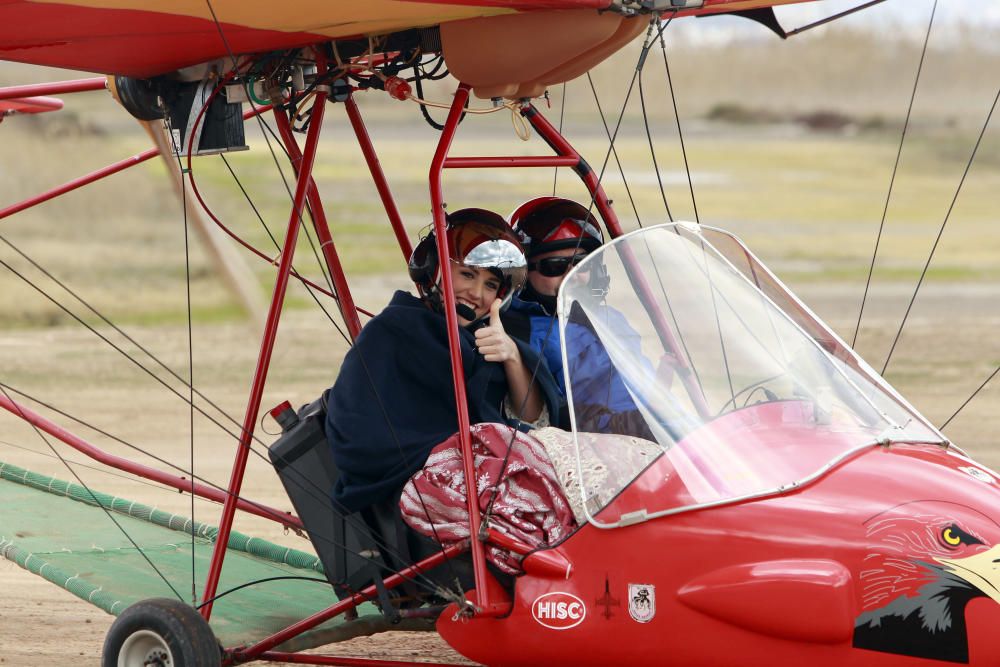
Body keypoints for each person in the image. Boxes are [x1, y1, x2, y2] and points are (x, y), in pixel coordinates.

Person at [325, 208, 561, 515]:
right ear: (434, 270)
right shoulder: (394, 331)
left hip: (469, 477)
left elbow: (533, 423)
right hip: (406, 487)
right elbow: (361, 437)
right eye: (467, 274)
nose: (477, 293)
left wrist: (512, 357)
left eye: (491, 285)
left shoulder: (483, 340)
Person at [505, 197, 651, 435]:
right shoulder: (520, 330)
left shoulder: (610, 318)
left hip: (653, 428)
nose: (573, 275)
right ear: (523, 272)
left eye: (582, 264)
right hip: (600, 440)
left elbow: (650, 391)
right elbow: (551, 416)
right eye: (555, 266)